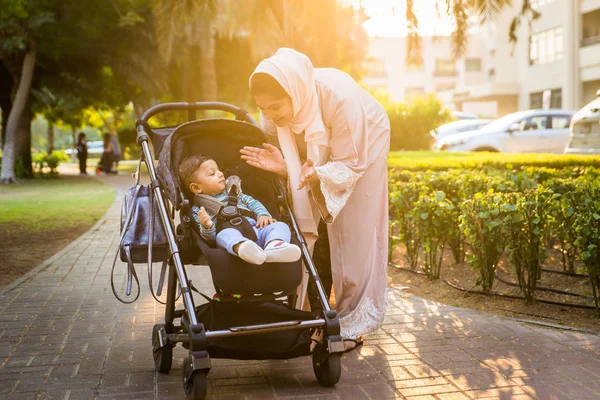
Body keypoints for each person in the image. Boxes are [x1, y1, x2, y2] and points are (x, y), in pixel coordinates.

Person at [241, 48, 390, 351]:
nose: (268, 115)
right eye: (262, 108)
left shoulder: (340, 97)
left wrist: (319, 173)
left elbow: (350, 164)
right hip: (317, 157)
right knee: (311, 228)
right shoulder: (273, 109)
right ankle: (311, 313)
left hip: (363, 143)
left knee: (352, 230)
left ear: (294, 93)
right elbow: (284, 154)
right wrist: (287, 167)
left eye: (274, 108)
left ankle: (350, 324)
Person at [179, 154, 301, 265]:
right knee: (225, 235)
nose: (220, 173)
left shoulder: (236, 193)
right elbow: (210, 239)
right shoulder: (199, 210)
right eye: (212, 174)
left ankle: (275, 245)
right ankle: (243, 248)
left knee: (280, 225)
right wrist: (207, 226)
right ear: (196, 187)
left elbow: (254, 204)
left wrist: (263, 214)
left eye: (219, 170)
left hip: (256, 229)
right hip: (230, 234)